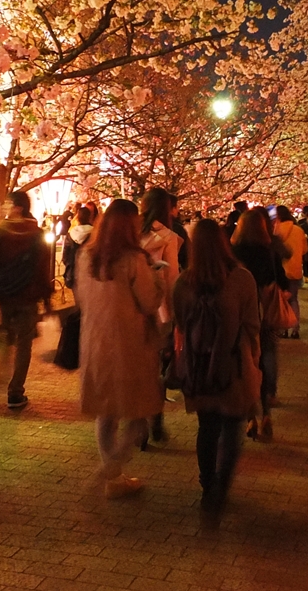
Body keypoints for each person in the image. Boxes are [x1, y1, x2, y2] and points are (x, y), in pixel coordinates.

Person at [173, 218, 261, 513]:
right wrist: (254, 359)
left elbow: (180, 325)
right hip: (233, 364)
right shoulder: (242, 279)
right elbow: (252, 325)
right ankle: (221, 487)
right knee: (232, 427)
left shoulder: (183, 283)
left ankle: (207, 484)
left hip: (198, 366)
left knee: (207, 427)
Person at [76, 199, 163, 498]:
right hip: (129, 343)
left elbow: (81, 298)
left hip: (96, 341)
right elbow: (149, 301)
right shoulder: (133, 259)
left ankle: (113, 477)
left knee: (106, 411)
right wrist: (158, 276)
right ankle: (110, 471)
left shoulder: (86, 256)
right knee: (139, 413)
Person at [232, 208, 288, 439]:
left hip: (242, 313)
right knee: (267, 356)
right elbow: (282, 280)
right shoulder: (269, 251)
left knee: (245, 362)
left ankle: (250, 417)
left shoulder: (234, 251)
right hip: (266, 312)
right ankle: (266, 410)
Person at [0, 189, 51, 410]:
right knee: (24, 345)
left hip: (6, 295)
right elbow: (43, 268)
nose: (5, 207)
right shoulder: (37, 233)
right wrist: (47, 299)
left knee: (5, 336)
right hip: (28, 295)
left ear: (18, 207)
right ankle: (15, 391)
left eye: (8, 203)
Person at [140, 187, 182, 444]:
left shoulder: (132, 232)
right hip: (160, 310)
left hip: (135, 307)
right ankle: (154, 418)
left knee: (137, 365)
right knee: (157, 367)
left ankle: (138, 421)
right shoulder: (167, 237)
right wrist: (174, 314)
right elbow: (172, 278)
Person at [273, 205, 308, 339]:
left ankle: (283, 329)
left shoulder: (276, 230)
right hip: (295, 270)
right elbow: (305, 250)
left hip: (280, 270)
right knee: (294, 299)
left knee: (281, 301)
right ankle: (295, 329)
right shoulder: (299, 230)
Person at [63, 205, 94, 294]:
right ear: (89, 217)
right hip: (90, 270)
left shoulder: (71, 234)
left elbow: (65, 255)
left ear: (78, 217)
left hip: (74, 269)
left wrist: (69, 264)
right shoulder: (95, 234)